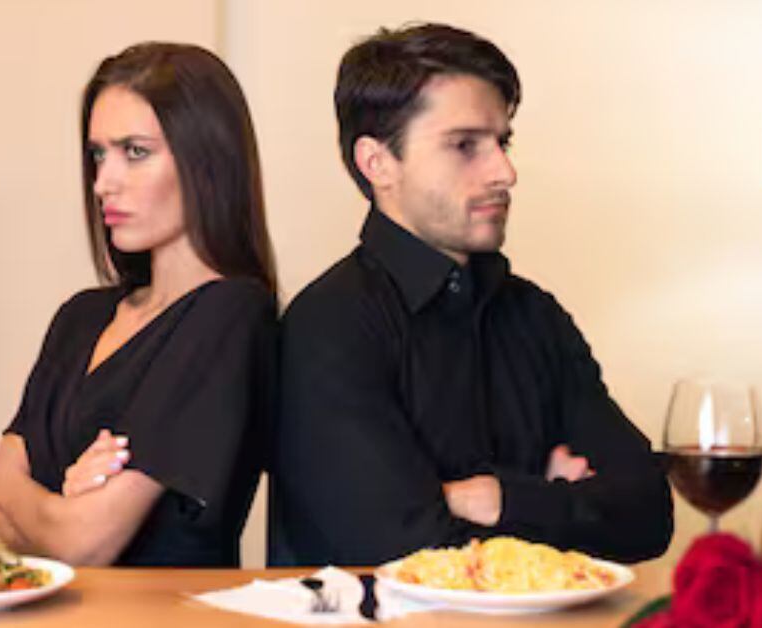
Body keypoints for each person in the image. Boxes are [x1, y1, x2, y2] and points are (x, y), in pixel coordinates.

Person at [268, 23, 672, 566]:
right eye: (465, 145)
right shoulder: (328, 324)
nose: (505, 172)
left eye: (502, 143)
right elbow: (396, 544)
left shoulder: (536, 316)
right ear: (377, 163)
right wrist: (553, 500)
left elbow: (648, 514)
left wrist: (496, 497)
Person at [0, 42, 277, 567]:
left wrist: (17, 491)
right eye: (98, 155)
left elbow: (83, 542)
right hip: (48, 608)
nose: (102, 183)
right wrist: (58, 506)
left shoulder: (231, 314)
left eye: (135, 152)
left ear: (207, 160)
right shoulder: (80, 318)